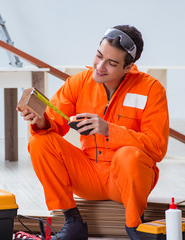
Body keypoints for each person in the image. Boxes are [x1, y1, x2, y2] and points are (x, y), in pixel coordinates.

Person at [17, 25, 169, 240]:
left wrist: (109, 129)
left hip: (124, 181)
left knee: (129, 155)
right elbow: (53, 124)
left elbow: (157, 147)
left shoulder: (151, 89)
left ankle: (135, 226)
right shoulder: (79, 83)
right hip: (87, 175)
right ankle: (73, 222)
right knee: (40, 142)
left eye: (112, 63)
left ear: (128, 67)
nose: (99, 66)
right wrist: (39, 120)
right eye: (99, 56)